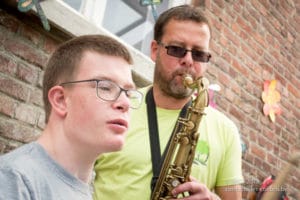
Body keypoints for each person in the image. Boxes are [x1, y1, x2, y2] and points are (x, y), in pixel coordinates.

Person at [93, 4, 244, 200]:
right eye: (177, 49)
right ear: (155, 50)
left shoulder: (226, 131)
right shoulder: (116, 107)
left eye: (199, 54)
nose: (188, 61)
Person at [0, 34, 143, 200]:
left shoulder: (82, 192)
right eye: (105, 87)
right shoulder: (14, 181)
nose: (124, 103)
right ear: (60, 100)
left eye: (129, 93)